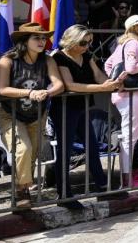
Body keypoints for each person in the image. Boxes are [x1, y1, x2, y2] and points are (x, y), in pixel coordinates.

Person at [51, 25, 123, 207]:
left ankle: (101, 187)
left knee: (92, 146)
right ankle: (64, 194)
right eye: (83, 42)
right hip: (64, 108)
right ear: (71, 40)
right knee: (64, 151)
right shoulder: (58, 57)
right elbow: (69, 85)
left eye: (89, 42)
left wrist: (111, 83)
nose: (87, 46)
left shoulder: (87, 56)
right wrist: (101, 88)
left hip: (83, 106)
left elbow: (99, 76)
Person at [0, 23, 65, 208]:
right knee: (23, 149)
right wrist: (29, 93)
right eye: (37, 38)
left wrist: (47, 92)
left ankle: (24, 189)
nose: (42, 41)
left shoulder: (48, 60)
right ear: (24, 41)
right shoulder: (8, 60)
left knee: (32, 154)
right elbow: (2, 88)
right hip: (11, 114)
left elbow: (59, 84)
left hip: (37, 114)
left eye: (44, 38)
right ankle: (21, 191)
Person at [108, 14, 138, 188]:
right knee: (130, 138)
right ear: (134, 28)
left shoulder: (122, 44)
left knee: (129, 137)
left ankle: (128, 177)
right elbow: (130, 68)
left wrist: (115, 81)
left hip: (125, 95)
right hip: (133, 95)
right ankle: (127, 180)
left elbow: (108, 64)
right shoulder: (134, 44)